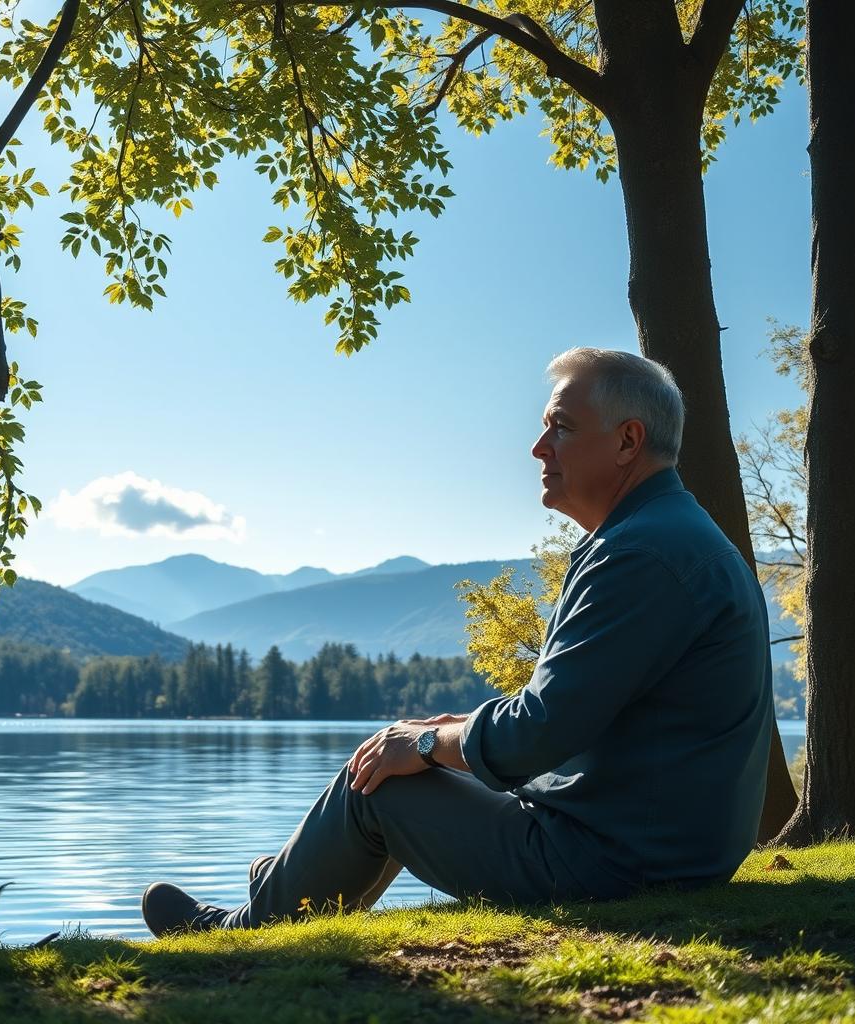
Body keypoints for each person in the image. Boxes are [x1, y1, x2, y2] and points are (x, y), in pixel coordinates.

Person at [141, 347, 774, 936]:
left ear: (627, 440)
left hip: (616, 864)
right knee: (412, 748)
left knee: (381, 778)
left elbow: (535, 735)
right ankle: (290, 878)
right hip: (653, 843)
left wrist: (423, 742)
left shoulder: (641, 555)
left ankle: (249, 927)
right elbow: (575, 714)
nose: (537, 447)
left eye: (561, 427)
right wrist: (448, 733)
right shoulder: (665, 536)